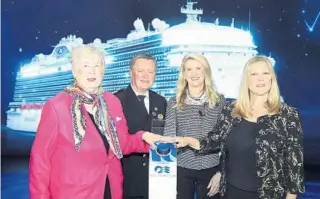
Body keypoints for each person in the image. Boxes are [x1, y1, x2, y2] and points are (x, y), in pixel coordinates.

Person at [29, 45, 168, 199]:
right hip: (73, 193)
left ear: (103, 69)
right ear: (74, 70)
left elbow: (122, 144)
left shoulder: (112, 102)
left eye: (97, 65)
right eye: (86, 65)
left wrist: (143, 137)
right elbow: (40, 161)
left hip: (110, 189)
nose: (92, 71)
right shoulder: (56, 107)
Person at [174, 55, 305, 199]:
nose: (260, 79)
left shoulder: (288, 115)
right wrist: (188, 141)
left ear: (271, 78)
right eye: (254, 74)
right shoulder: (231, 110)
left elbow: (294, 165)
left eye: (265, 73)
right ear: (246, 80)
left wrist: (291, 196)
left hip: (270, 195)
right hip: (232, 192)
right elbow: (213, 140)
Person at [163, 54, 224, 199]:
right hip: (182, 168)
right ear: (184, 74)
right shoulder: (174, 102)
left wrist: (221, 173)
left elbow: (225, 139)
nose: (194, 73)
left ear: (206, 72)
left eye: (198, 68)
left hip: (211, 168)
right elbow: (169, 137)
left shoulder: (219, 100)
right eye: (189, 69)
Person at [114, 54, 167, 199]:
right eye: (141, 71)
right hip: (128, 179)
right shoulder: (117, 100)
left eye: (150, 72)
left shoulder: (161, 101)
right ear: (131, 73)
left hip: (156, 177)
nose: (146, 76)